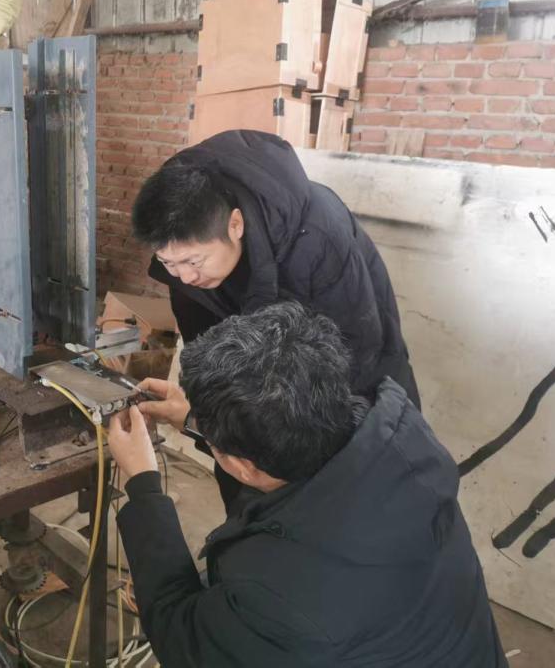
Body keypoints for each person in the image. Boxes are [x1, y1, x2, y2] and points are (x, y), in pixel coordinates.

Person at [107, 303, 508, 668]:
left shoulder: (280, 595)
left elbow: (180, 635)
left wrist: (143, 483)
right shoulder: (402, 449)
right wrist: (198, 420)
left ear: (243, 467)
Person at [131, 129, 417, 509]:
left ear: (235, 225)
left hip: (353, 387)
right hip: (269, 394)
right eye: (169, 263)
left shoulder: (317, 240)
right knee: (244, 493)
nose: (183, 276)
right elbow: (207, 356)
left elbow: (353, 364)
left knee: (342, 501)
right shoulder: (187, 260)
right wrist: (202, 417)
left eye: (193, 261)